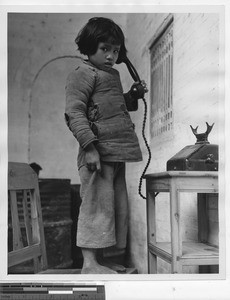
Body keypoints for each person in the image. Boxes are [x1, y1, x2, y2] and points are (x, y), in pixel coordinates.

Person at [65, 17, 148, 274]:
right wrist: (89, 147)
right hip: (97, 153)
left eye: (116, 50)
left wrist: (132, 96)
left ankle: (102, 260)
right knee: (96, 206)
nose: (111, 55)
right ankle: (89, 264)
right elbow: (74, 112)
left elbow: (110, 106)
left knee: (113, 208)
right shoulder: (83, 73)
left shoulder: (109, 75)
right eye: (105, 49)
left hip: (117, 151)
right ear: (90, 45)